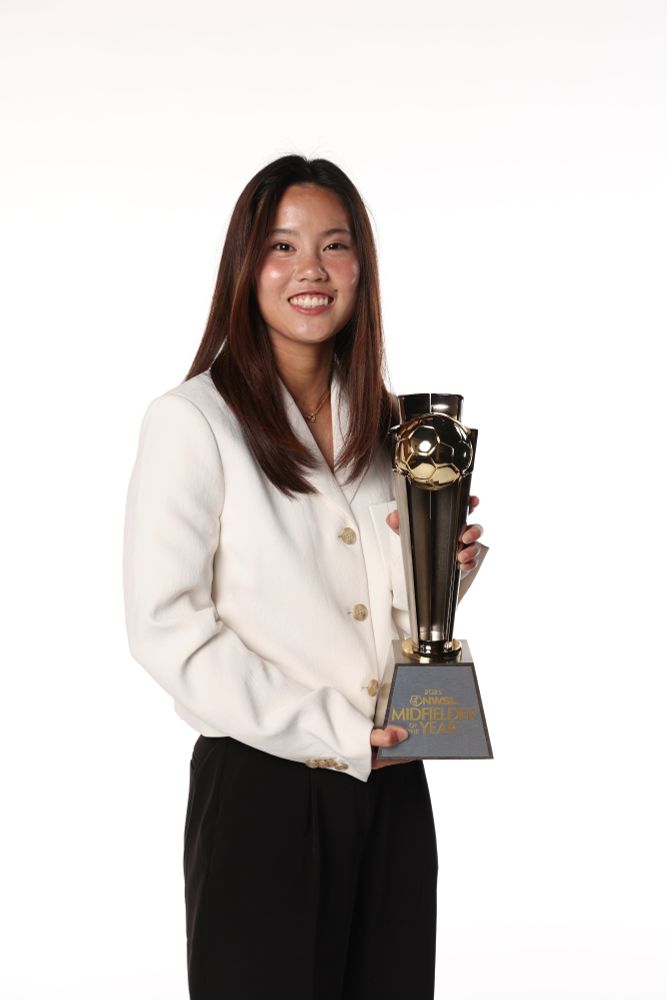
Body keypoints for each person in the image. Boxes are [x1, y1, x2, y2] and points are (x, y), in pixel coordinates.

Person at [122, 154, 487, 1000]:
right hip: (265, 788)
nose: (310, 271)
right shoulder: (192, 421)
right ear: (245, 267)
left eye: (334, 245)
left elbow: (381, 617)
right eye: (282, 247)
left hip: (393, 782)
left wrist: (441, 572)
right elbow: (166, 629)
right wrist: (335, 731)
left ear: (362, 266)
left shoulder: (392, 426)